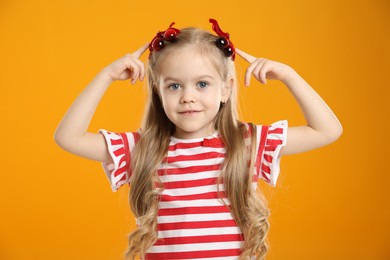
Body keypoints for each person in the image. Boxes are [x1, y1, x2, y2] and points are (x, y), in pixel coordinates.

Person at [54, 19, 342, 259]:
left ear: (225, 90)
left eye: (202, 84)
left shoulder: (247, 143)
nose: (188, 97)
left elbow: (327, 130)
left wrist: (289, 75)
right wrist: (105, 76)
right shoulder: (142, 149)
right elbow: (69, 137)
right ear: (157, 90)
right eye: (174, 85)